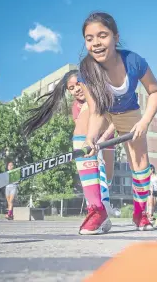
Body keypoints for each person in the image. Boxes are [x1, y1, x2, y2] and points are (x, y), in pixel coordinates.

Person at [76, 11, 157, 234]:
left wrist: (144, 122)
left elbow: (154, 91)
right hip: (102, 109)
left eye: (102, 35)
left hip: (128, 110)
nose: (96, 43)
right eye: (89, 38)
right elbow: (96, 110)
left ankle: (140, 212)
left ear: (116, 37)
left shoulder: (133, 61)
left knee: (140, 162)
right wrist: (90, 138)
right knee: (81, 143)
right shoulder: (86, 71)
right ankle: (97, 210)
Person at [22, 69, 116, 216]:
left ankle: (104, 202)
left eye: (78, 84)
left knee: (108, 177)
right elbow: (80, 129)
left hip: (108, 137)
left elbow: (116, 121)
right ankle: (96, 207)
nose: (77, 89)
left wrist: (103, 140)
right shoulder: (76, 106)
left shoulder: (101, 93)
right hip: (89, 139)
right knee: (93, 166)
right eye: (71, 88)